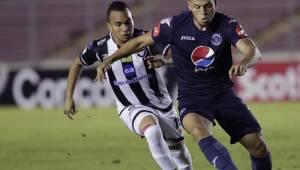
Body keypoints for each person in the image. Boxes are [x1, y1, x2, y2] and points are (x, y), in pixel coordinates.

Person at [95, 0, 272, 169]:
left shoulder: (227, 24)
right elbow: (139, 42)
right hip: (192, 97)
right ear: (189, 5)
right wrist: (110, 60)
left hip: (223, 94)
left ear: (215, 4)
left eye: (208, 6)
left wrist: (244, 62)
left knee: (257, 146)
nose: (203, 12)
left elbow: (252, 51)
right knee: (197, 129)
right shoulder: (173, 25)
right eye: (197, 6)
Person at [64, 1, 193, 170]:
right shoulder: (100, 48)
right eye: (118, 24)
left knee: (178, 150)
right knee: (152, 131)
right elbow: (77, 63)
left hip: (162, 104)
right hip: (131, 107)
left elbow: (177, 56)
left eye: (128, 22)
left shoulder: (147, 38)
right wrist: (68, 97)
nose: (125, 28)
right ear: (109, 26)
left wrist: (166, 61)